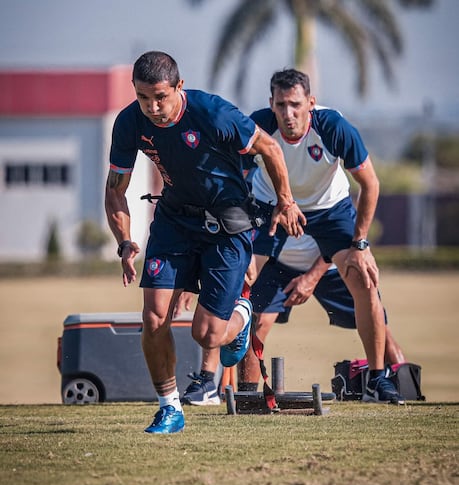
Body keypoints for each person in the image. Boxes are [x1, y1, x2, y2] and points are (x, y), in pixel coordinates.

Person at [104, 51, 305, 434]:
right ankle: (170, 409)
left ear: (179, 87)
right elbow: (115, 192)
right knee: (153, 317)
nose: (153, 107)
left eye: (160, 97)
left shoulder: (213, 114)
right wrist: (125, 240)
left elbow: (271, 149)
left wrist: (286, 200)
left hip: (226, 224)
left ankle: (241, 314)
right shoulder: (130, 122)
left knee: (207, 334)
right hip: (174, 221)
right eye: (143, 97)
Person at [248, 68, 405, 405]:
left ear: (311, 103)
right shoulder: (257, 126)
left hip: (329, 209)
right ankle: (240, 391)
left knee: (363, 278)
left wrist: (360, 244)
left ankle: (378, 379)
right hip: (271, 205)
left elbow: (370, 184)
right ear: (271, 104)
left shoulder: (333, 127)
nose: (288, 114)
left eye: (295, 105)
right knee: (243, 282)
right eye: (280, 105)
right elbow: (231, 174)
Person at [180, 234, 406, 405]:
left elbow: (339, 234)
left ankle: (402, 388)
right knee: (257, 322)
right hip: (278, 263)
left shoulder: (323, 184)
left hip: (329, 264)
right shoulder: (265, 183)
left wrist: (310, 277)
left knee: (376, 321)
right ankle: (247, 397)